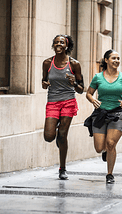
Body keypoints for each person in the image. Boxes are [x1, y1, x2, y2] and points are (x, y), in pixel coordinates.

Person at [84, 49, 122, 184]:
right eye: (113, 58)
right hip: (101, 113)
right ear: (106, 60)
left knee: (111, 143)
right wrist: (92, 100)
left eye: (118, 58)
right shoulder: (98, 77)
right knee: (99, 147)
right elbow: (89, 93)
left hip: (118, 113)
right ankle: (105, 151)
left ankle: (109, 174)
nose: (116, 61)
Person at [42, 34, 84, 180]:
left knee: (62, 136)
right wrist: (44, 84)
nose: (58, 44)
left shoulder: (74, 64)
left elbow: (81, 89)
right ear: (53, 45)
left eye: (61, 42)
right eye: (56, 42)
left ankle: (62, 168)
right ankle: (58, 131)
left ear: (66, 46)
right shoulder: (47, 63)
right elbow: (44, 82)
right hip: (53, 101)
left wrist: (74, 83)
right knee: (48, 137)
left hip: (68, 101)